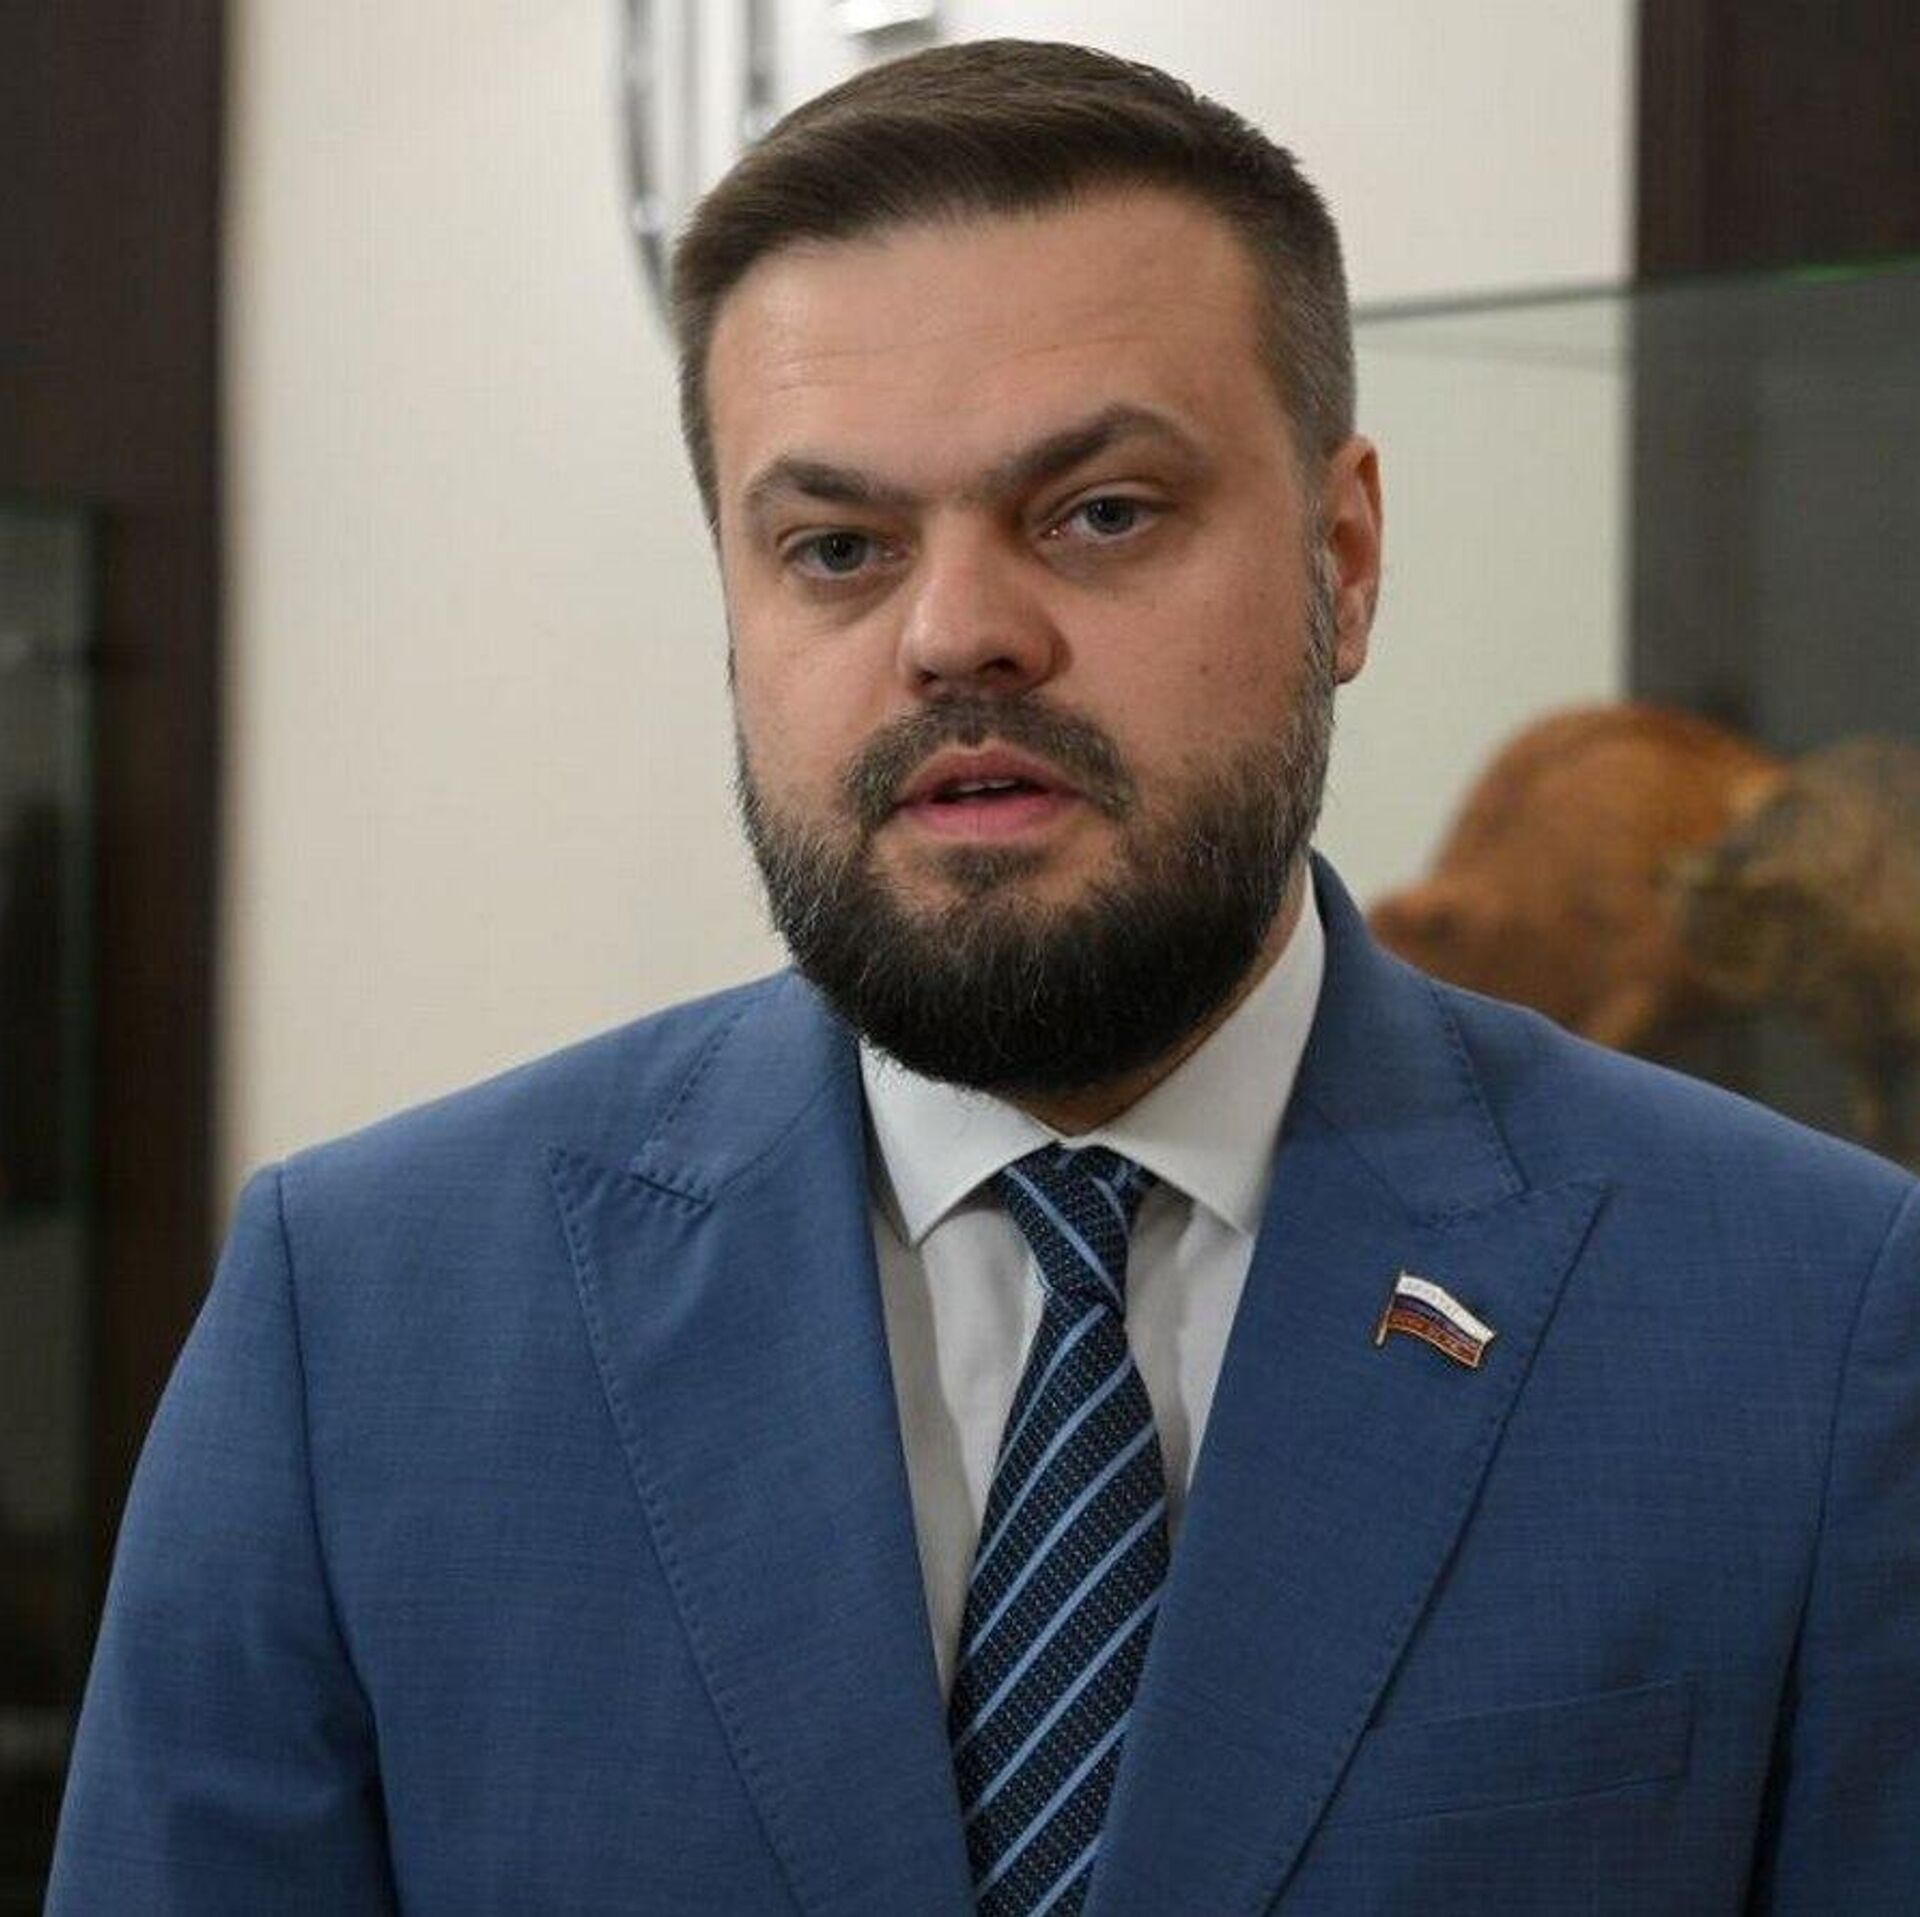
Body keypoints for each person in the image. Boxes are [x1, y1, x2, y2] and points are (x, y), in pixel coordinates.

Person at [49, 39, 1920, 1917]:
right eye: (836, 548)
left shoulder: (1808, 1319)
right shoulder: (364, 1325)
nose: (957, 635)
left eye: (1101, 512)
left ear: (1343, 561)